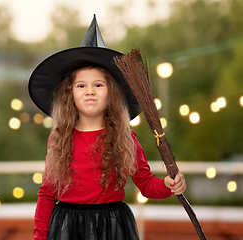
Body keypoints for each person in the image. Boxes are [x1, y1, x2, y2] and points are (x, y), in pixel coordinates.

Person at [28, 15, 186, 240]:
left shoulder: (125, 137)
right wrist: (39, 237)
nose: (89, 91)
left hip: (112, 228)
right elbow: (47, 193)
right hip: (67, 229)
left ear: (111, 93)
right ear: (69, 94)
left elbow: (146, 184)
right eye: (81, 85)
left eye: (98, 85)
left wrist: (168, 184)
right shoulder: (59, 138)